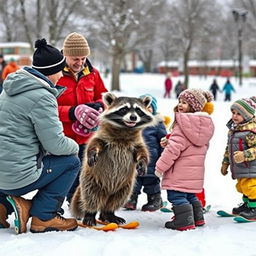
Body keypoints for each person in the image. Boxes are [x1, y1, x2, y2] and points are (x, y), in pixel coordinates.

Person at [0, 38, 81, 234]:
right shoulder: (42, 96)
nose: (62, 75)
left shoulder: (9, 89)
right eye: (60, 70)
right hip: (18, 177)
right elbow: (55, 145)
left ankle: (2, 207)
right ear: (51, 71)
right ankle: (44, 216)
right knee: (71, 161)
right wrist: (76, 145)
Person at [57, 32, 108, 204]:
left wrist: (100, 106)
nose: (80, 63)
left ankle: (80, 202)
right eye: (75, 59)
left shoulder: (93, 74)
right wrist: (72, 112)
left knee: (87, 171)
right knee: (67, 171)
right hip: (63, 136)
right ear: (65, 55)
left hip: (88, 136)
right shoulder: (55, 75)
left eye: (83, 58)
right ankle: (64, 202)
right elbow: (45, 107)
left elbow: (104, 96)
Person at [155, 88, 215, 231]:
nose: (180, 105)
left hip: (179, 172)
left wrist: (160, 167)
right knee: (190, 195)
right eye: (180, 102)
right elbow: (190, 146)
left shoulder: (182, 125)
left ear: (194, 106)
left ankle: (184, 221)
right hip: (194, 172)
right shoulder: (203, 125)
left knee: (176, 195)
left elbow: (173, 150)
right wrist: (170, 140)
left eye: (185, 103)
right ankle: (197, 218)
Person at [124, 95, 167, 211]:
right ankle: (131, 199)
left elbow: (164, 141)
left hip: (152, 161)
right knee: (134, 182)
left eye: (149, 107)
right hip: (134, 160)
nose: (146, 109)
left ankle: (155, 199)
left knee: (151, 182)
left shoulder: (158, 124)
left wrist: (163, 157)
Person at [221, 97, 256, 219]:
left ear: (247, 115)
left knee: (251, 188)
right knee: (242, 187)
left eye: (239, 114)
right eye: (233, 113)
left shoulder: (251, 132)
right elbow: (228, 149)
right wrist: (225, 163)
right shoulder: (234, 130)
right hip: (241, 168)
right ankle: (248, 205)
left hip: (252, 168)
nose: (235, 116)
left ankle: (254, 208)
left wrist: (244, 155)